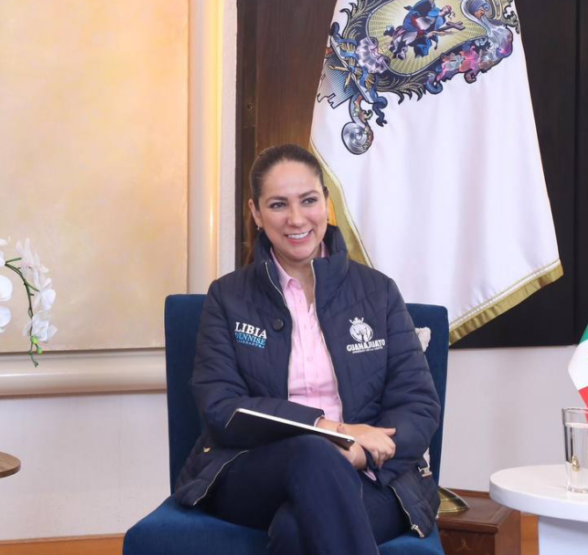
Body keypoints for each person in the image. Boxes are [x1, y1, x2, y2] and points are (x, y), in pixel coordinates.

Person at [175, 144, 440, 555]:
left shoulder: (378, 292)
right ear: (256, 213)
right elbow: (222, 408)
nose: (296, 219)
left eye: (309, 200)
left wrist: (359, 456)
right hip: (257, 468)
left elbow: (418, 403)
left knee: (297, 531)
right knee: (313, 454)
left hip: (373, 474)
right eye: (278, 204)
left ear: (327, 203)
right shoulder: (227, 297)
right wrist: (334, 431)